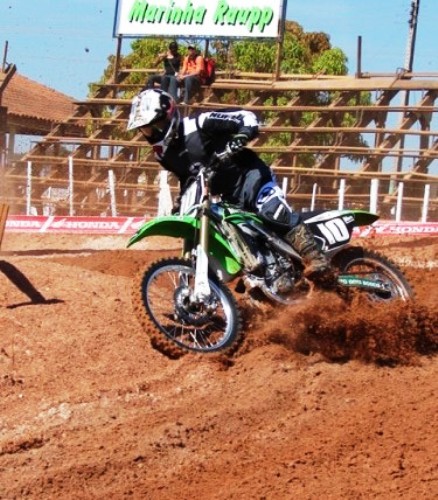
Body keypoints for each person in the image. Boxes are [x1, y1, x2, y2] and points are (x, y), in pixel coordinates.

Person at [127, 89, 334, 285]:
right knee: (232, 239)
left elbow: (247, 117)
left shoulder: (200, 124)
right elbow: (187, 177)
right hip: (228, 198)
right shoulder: (163, 154)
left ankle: (316, 259)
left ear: (169, 115)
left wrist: (241, 136)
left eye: (156, 125)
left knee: (273, 212)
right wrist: (181, 201)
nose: (153, 132)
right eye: (146, 129)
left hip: (252, 177)